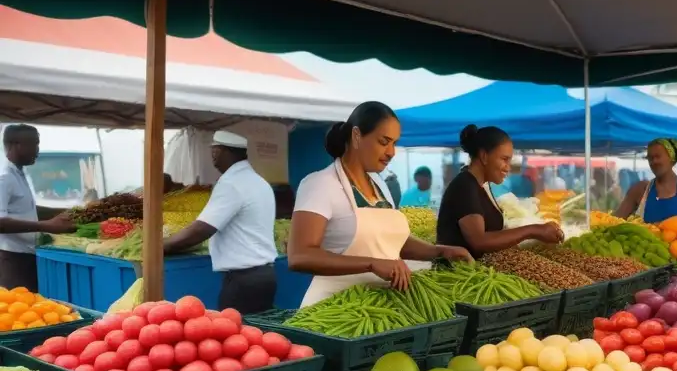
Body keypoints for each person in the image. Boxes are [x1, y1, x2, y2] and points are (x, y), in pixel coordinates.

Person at [288, 102, 471, 307]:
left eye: (394, 143)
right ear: (357, 136)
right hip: (333, 307)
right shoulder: (320, 184)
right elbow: (300, 256)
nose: (392, 152)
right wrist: (370, 264)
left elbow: (390, 242)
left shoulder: (380, 185)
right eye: (384, 141)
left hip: (378, 305)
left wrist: (439, 251)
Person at [163, 131, 278, 314]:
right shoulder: (259, 181)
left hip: (243, 281)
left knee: (236, 337)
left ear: (219, 152)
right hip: (264, 275)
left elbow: (202, 229)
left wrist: (162, 246)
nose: (212, 157)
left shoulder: (231, 183)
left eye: (214, 151)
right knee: (257, 335)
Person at [437, 125, 563, 258]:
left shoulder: (479, 185)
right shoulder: (465, 186)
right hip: (459, 274)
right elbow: (479, 241)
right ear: (484, 156)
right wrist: (533, 230)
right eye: (504, 159)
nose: (508, 168)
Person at [0, 124, 76, 291]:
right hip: (12, 259)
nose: (37, 150)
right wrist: (46, 225)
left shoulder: (18, 173)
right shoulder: (4, 177)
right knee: (18, 309)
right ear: (15, 145)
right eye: (33, 144)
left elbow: (26, 210)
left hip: (27, 255)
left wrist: (64, 213)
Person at [615, 138, 677, 223]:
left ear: (671, 159)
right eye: (650, 158)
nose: (654, 161)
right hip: (648, 242)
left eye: (658, 156)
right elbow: (615, 220)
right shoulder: (640, 190)